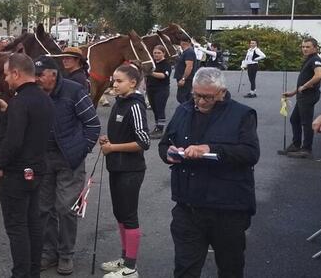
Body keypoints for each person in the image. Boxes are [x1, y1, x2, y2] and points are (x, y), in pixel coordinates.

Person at [158, 67, 260, 278]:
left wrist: (211, 149)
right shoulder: (183, 110)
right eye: (196, 95)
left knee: (230, 267)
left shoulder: (242, 114)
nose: (200, 102)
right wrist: (168, 152)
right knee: (185, 268)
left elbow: (250, 153)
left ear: (222, 92)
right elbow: (165, 143)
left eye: (208, 97)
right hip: (188, 206)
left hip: (227, 208)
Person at [33, 55, 100, 275]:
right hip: (43, 159)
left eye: (40, 75)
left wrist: (81, 150)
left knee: (65, 208)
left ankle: (66, 255)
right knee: (44, 209)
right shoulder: (35, 93)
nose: (36, 79)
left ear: (53, 74)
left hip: (69, 160)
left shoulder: (74, 91)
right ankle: (49, 253)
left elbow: (92, 124)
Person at [0, 53, 55, 278]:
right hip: (37, 169)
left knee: (17, 227)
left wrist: (0, 164)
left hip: (17, 173)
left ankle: (20, 273)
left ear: (17, 74)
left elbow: (14, 140)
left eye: (8, 74)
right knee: (33, 224)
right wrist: (8, 112)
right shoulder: (44, 98)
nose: (6, 79)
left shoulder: (20, 102)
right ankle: (33, 271)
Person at [99, 64, 150, 278]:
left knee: (129, 216)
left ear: (133, 82)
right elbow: (122, 134)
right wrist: (108, 140)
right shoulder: (119, 103)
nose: (114, 84)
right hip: (116, 167)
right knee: (119, 213)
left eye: (119, 81)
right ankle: (124, 257)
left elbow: (144, 141)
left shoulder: (135, 106)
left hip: (131, 170)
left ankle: (131, 267)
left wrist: (113, 148)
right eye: (114, 80)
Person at [279, 38, 321, 158]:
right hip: (302, 95)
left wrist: (305, 86)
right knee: (295, 120)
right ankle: (296, 144)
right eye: (303, 46)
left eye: (308, 47)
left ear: (315, 48)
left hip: (308, 96)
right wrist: (293, 92)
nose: (304, 49)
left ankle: (306, 149)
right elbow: (304, 79)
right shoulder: (308, 59)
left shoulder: (315, 60)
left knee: (306, 122)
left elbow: (320, 75)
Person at [146, 45, 172, 139]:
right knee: (154, 109)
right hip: (151, 88)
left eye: (158, 53)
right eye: (155, 53)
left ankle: (160, 129)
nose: (156, 55)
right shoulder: (152, 63)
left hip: (161, 89)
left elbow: (164, 75)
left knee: (160, 109)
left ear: (163, 53)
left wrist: (151, 73)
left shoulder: (166, 64)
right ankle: (157, 127)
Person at [174, 35, 197, 104]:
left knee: (182, 97)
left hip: (187, 79)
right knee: (185, 97)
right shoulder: (185, 52)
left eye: (183, 41)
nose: (181, 43)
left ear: (188, 42)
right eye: (181, 41)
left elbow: (189, 66)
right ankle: (189, 112)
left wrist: (183, 78)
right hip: (184, 78)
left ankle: (188, 112)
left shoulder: (189, 52)